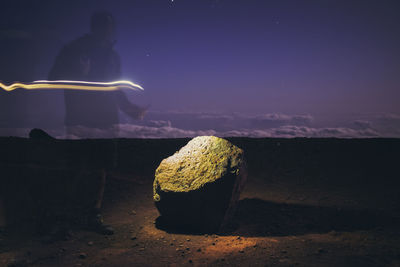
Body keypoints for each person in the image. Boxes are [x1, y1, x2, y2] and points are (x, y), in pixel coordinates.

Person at [48, 11, 146, 235]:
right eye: (103, 26)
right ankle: (65, 217)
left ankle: (92, 215)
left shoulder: (113, 56)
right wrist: (76, 72)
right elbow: (53, 77)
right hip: (80, 120)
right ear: (95, 27)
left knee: (100, 169)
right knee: (76, 168)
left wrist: (129, 109)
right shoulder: (74, 50)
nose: (107, 30)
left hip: (106, 120)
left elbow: (114, 88)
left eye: (109, 26)